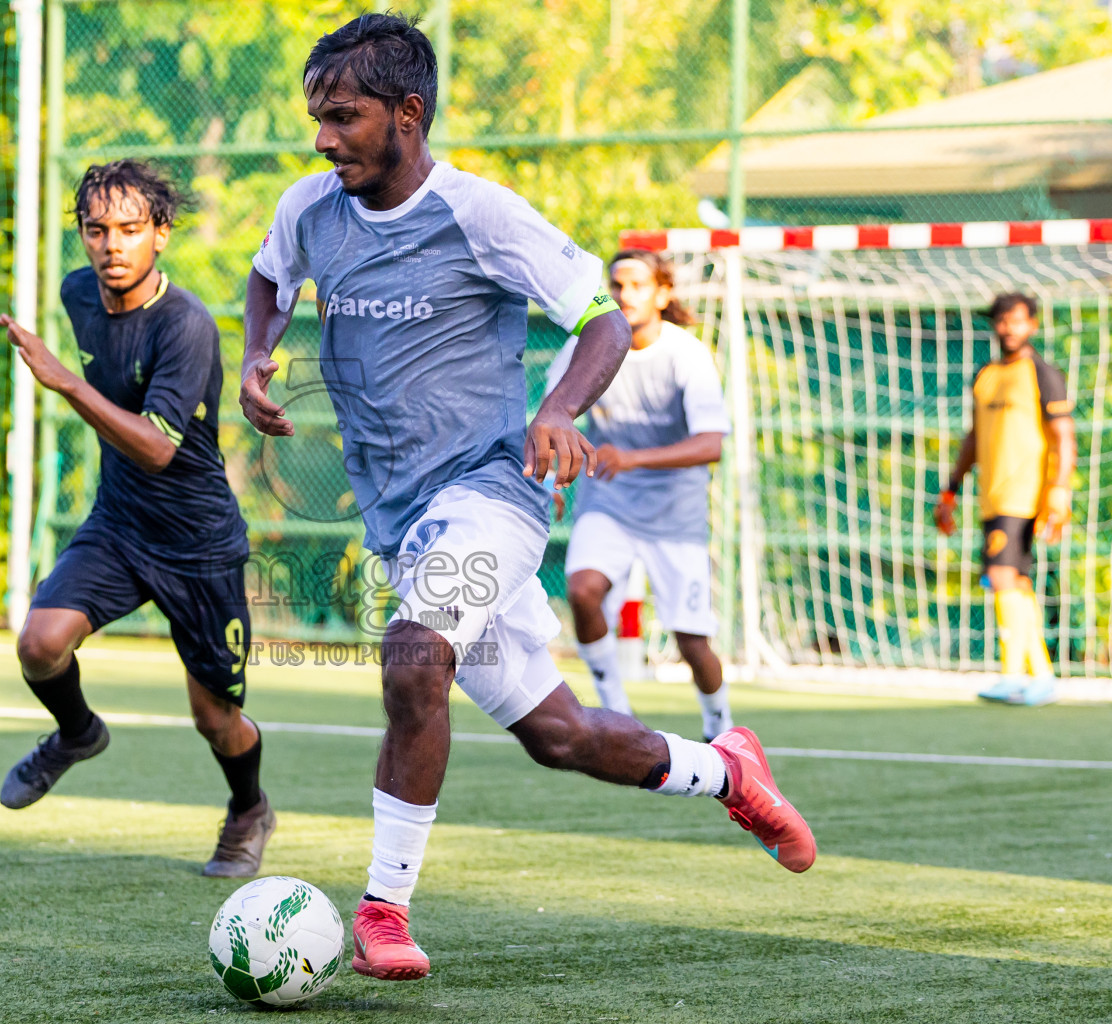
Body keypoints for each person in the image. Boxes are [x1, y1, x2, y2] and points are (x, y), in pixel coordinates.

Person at [241, 12, 816, 984]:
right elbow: (268, 277)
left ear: (408, 112)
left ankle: (383, 908)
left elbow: (600, 320)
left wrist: (557, 409)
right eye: (318, 119)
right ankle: (728, 769)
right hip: (403, 524)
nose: (324, 139)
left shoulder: (481, 214)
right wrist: (259, 351)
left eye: (343, 117)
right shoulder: (310, 208)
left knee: (413, 658)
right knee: (561, 736)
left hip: (491, 494)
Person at [0, 160, 271, 878]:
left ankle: (248, 809)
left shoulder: (187, 326)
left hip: (198, 542)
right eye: (96, 230)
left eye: (129, 228)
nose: (111, 245)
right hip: (119, 525)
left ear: (161, 233)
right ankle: (77, 733)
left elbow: (155, 448)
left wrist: (63, 381)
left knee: (215, 719)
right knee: (39, 644)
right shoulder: (77, 293)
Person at [548, 250, 733, 740]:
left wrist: (632, 458)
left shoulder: (687, 354)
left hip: (675, 514)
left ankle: (720, 727)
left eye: (638, 284)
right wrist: (549, 482)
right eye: (617, 284)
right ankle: (616, 714)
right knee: (582, 591)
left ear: (663, 293)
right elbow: (553, 420)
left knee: (692, 640)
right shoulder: (585, 346)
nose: (625, 294)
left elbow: (711, 445)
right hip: (608, 502)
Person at [935, 292, 1074, 706]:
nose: (1007, 328)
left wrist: (1059, 490)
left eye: (1015, 320)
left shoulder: (1042, 374)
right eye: (1001, 320)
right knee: (1015, 582)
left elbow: (1063, 437)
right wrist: (951, 489)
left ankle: (1013, 676)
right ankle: (1041, 676)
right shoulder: (986, 376)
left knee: (1000, 577)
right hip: (991, 496)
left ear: (1032, 324)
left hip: (1025, 493)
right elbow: (974, 437)